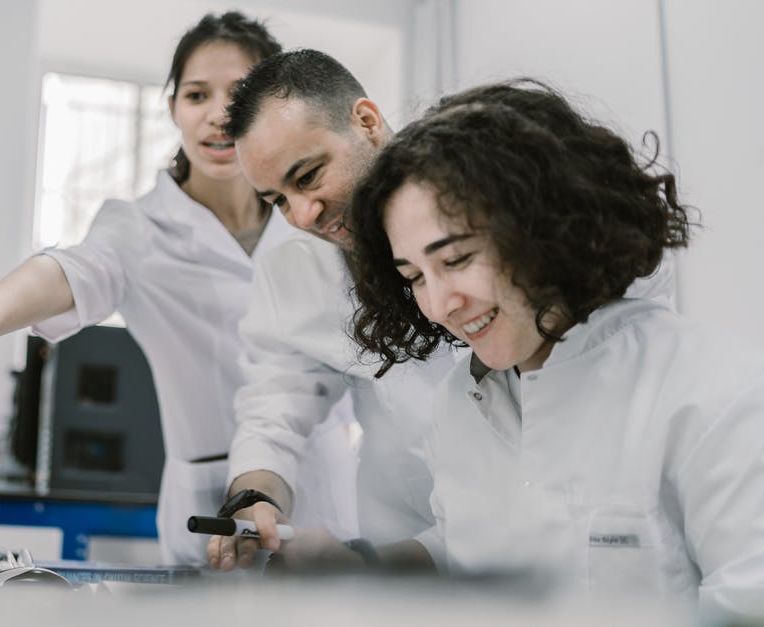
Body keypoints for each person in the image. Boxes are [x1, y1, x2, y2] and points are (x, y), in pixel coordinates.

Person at [292, 79, 764, 616]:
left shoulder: (720, 395)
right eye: (414, 276)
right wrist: (361, 567)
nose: (437, 306)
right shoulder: (461, 400)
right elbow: (465, 543)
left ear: (545, 225)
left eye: (456, 259)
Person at [0, 13, 357, 565]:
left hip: (333, 490)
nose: (217, 115)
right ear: (173, 108)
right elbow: (74, 269)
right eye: (196, 95)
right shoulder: (139, 228)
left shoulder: (314, 211)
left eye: (239, 93)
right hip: (211, 509)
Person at [207, 50, 675, 570]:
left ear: (365, 121)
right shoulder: (460, 401)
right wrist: (259, 497)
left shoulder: (674, 388)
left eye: (310, 176)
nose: (302, 215)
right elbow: (273, 412)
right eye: (277, 200)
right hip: (427, 546)